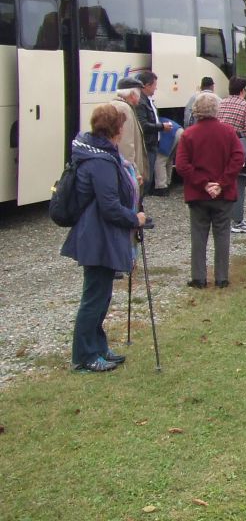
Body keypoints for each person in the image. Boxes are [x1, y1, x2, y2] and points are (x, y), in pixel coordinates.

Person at [62, 104, 146, 372]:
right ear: (116, 130)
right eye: (121, 125)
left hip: (99, 233)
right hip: (96, 236)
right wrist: (135, 219)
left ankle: (98, 347)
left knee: (102, 295)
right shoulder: (100, 160)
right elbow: (109, 205)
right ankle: (84, 356)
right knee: (94, 296)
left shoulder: (100, 154)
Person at [176, 92, 245, 289]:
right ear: (217, 109)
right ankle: (222, 277)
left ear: (196, 111)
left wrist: (203, 183)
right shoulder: (228, 132)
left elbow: (181, 165)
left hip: (198, 194)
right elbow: (238, 158)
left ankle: (198, 277)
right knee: (222, 233)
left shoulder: (188, 134)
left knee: (198, 234)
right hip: (223, 193)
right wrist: (221, 183)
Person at [217, 77, 246, 234]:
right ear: (243, 90)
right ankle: (237, 220)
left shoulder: (220, 103)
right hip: (236, 149)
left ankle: (222, 217)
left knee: (222, 182)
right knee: (238, 183)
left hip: (219, 148)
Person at [135, 70, 172, 193]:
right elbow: (143, 125)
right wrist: (161, 127)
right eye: (155, 85)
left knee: (148, 177)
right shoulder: (141, 102)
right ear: (147, 85)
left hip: (152, 144)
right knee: (145, 179)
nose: (156, 89)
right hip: (148, 145)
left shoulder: (147, 100)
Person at [109, 76, 149, 186]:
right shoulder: (124, 109)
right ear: (132, 94)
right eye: (139, 93)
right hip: (128, 173)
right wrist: (133, 173)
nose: (140, 97)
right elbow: (126, 145)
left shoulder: (120, 106)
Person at [153, 118, 183, 197]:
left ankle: (161, 187)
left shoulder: (151, 121)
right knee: (169, 159)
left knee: (160, 160)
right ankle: (167, 183)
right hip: (179, 131)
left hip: (170, 133)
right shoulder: (158, 118)